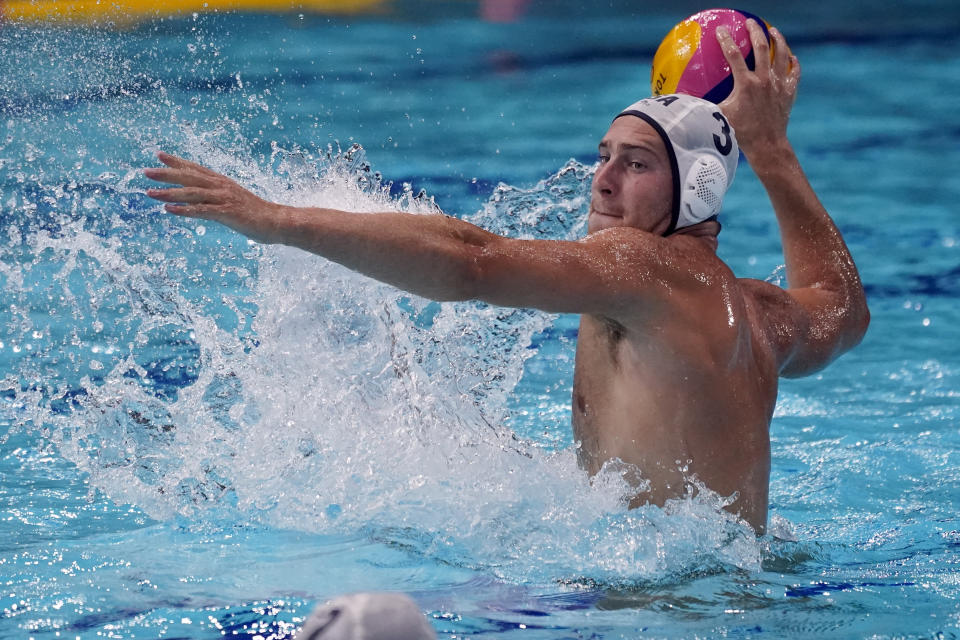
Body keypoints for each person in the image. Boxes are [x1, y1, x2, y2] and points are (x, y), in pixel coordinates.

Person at [144, 22, 868, 533]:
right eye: (604, 154)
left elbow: (470, 261)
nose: (603, 181)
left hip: (651, 608)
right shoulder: (756, 312)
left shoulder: (640, 266)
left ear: (699, 189)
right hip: (722, 588)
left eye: (637, 163)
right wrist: (772, 151)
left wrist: (275, 220)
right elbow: (842, 309)